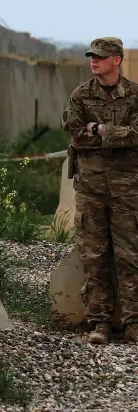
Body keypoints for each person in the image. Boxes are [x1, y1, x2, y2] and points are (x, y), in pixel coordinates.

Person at [62, 37, 138, 344]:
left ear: (116, 60)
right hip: (91, 188)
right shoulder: (80, 96)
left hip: (127, 189)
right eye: (92, 56)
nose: (94, 61)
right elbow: (77, 136)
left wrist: (101, 129)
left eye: (101, 56)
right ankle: (100, 323)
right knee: (94, 256)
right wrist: (117, 135)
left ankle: (133, 324)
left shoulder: (134, 95)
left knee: (130, 257)